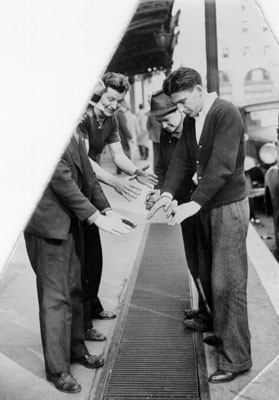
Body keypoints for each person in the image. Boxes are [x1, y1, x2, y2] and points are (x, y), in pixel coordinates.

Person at [148, 67, 252, 384]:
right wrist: (167, 194)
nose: (181, 110)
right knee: (209, 275)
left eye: (182, 102)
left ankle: (238, 360)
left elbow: (221, 167)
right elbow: (180, 159)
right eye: (177, 105)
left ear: (197, 90)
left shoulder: (225, 113)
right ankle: (223, 337)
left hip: (228, 208)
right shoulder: (194, 119)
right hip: (208, 207)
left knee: (228, 283)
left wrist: (192, 203)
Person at [24, 132, 132, 393]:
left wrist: (105, 208)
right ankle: (58, 369)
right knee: (55, 300)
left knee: (74, 290)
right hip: (48, 226)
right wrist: (95, 216)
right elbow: (61, 179)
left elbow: (88, 173)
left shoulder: (74, 128)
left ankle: (75, 350)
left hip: (70, 223)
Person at [77, 72, 157, 335]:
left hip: (90, 188)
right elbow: (85, 161)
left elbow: (119, 155)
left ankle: (93, 305)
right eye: (110, 99)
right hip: (76, 188)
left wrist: (136, 171)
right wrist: (115, 182)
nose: (113, 105)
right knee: (82, 258)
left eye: (118, 101)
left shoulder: (109, 120)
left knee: (94, 256)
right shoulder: (84, 118)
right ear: (100, 94)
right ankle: (84, 321)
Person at [145, 90, 212, 326]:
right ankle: (204, 310)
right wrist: (160, 191)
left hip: (199, 205)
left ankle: (209, 315)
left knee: (206, 260)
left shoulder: (195, 130)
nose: (164, 126)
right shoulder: (166, 135)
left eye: (168, 119)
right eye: (160, 121)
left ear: (179, 109)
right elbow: (163, 168)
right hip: (180, 204)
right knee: (193, 259)